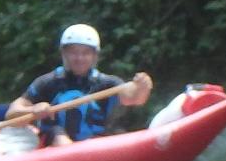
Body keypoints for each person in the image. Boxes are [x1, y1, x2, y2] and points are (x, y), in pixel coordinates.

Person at [9, 24, 153, 148]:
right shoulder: (47, 82)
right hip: (54, 143)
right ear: (64, 54)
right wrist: (32, 110)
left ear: (94, 56)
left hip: (96, 143)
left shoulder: (107, 83)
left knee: (114, 134)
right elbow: (11, 114)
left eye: (85, 53)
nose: (79, 58)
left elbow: (134, 98)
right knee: (58, 135)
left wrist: (143, 87)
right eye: (73, 53)